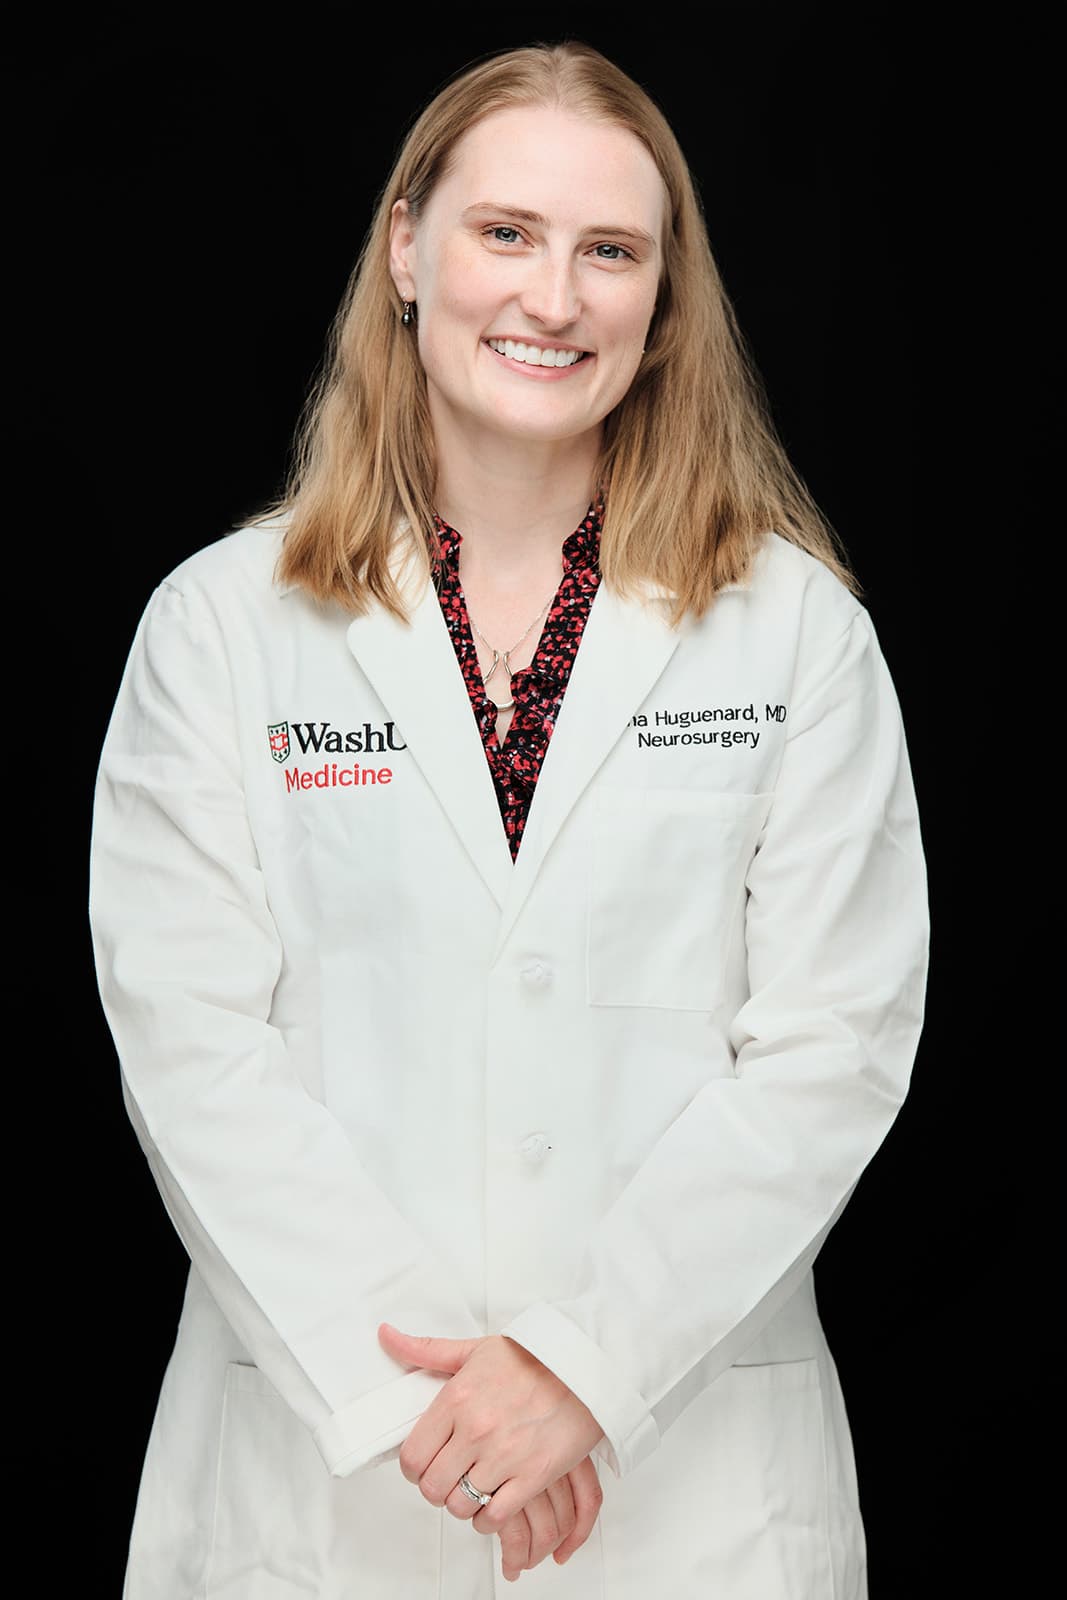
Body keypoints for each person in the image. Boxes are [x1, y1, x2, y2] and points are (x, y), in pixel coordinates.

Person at [89, 39, 928, 1600]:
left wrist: (584, 1366)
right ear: (406, 250)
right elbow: (189, 1041)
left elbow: (835, 1044)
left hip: (685, 1490)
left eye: (611, 251)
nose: (554, 297)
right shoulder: (219, 627)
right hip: (326, 1476)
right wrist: (425, 1399)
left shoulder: (795, 635)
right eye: (506, 234)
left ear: (664, 305)